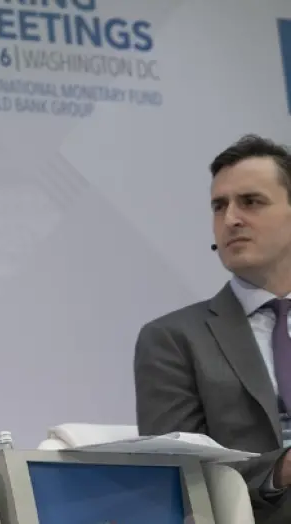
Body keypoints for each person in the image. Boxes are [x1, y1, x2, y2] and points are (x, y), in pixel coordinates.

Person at [134, 134, 291, 523]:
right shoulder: (173, 339)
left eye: (251, 202)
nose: (231, 219)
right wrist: (281, 470)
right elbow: (180, 478)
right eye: (219, 206)